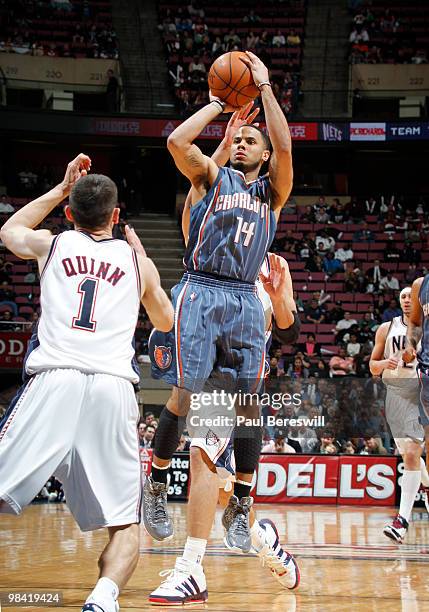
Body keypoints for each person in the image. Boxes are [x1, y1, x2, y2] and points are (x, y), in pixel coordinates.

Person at [0, 154, 174, 612]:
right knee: (125, 522)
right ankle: (103, 597)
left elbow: (7, 231)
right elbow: (166, 319)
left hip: (54, 378)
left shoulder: (52, 244)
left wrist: (59, 189)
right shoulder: (137, 263)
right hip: (113, 389)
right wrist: (140, 258)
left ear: (70, 214)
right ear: (116, 217)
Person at [141, 51, 293, 558]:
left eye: (254, 140)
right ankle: (158, 485)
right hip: (201, 290)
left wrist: (265, 89)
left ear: (265, 155)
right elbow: (176, 142)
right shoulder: (209, 177)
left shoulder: (273, 194)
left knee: (250, 408)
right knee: (187, 398)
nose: (246, 142)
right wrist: (216, 110)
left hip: (246, 300)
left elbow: (286, 146)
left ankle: (242, 503)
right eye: (241, 138)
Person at [370, 286, 429, 543]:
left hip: (419, 391)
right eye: (403, 297)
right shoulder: (385, 328)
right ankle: (426, 488)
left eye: (410, 297)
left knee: (413, 453)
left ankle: (401, 521)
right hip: (395, 394)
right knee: (409, 454)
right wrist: (386, 363)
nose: (407, 300)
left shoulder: (424, 328)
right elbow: (373, 367)